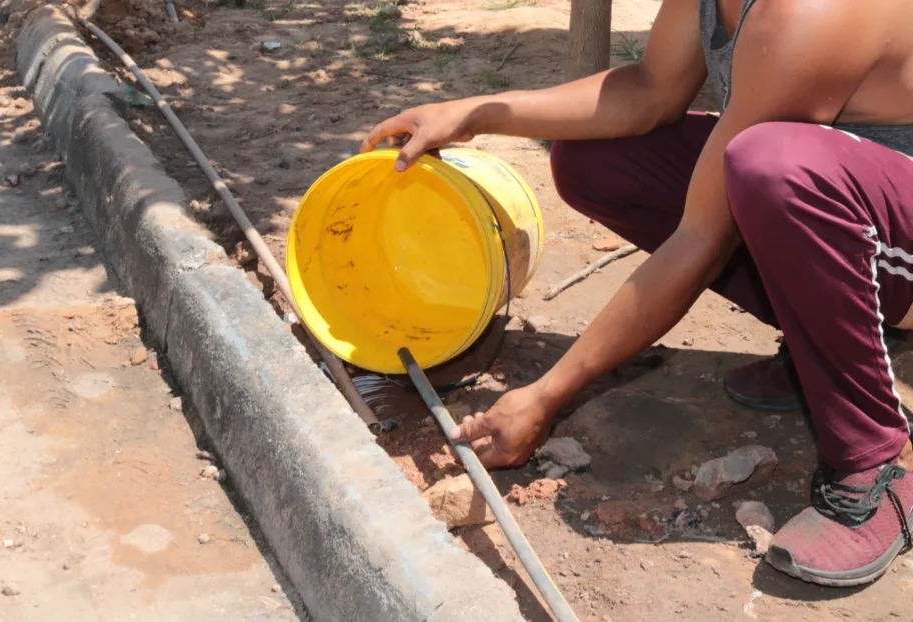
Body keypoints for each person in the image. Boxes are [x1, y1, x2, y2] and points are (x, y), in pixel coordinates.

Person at [362, 0, 913, 587]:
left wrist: (547, 395)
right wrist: (474, 112)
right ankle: (823, 348)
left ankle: (874, 464)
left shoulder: (810, 13)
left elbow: (702, 233)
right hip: (860, 222)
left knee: (770, 167)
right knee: (598, 158)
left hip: (895, 240)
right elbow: (649, 89)